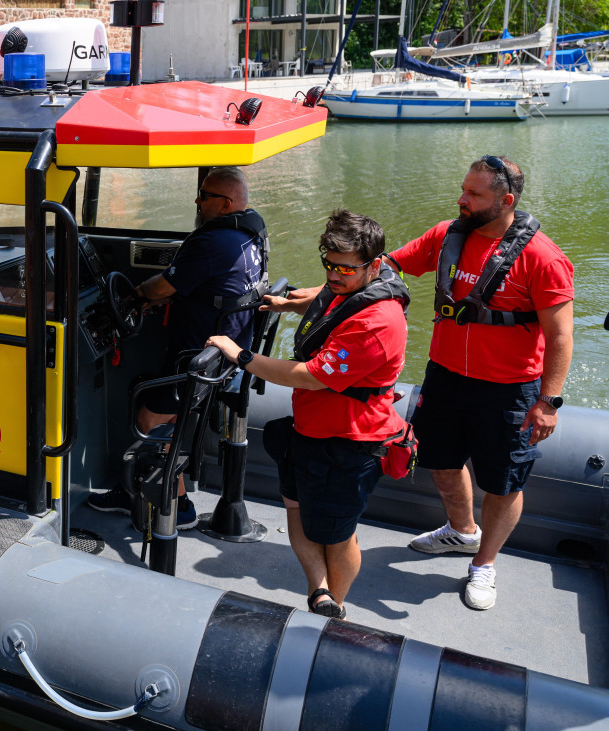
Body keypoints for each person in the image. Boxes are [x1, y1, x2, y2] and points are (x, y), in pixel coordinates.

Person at [387, 156, 574, 611]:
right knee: (442, 464)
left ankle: (484, 565)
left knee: (504, 483)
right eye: (463, 189)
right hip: (446, 377)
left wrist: (548, 401)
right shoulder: (446, 236)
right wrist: (334, 287)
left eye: (474, 194)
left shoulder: (543, 258)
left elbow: (561, 336)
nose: (461, 199)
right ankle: (462, 533)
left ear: (505, 201)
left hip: (510, 389)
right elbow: (389, 265)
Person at [207, 209, 409, 619]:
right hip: (309, 430)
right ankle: (319, 591)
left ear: (375, 265)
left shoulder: (378, 321)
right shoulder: (350, 283)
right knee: (296, 509)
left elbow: (312, 377)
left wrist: (241, 355)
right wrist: (282, 303)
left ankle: (338, 605)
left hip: (348, 443)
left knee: (338, 536)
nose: (334, 275)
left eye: (345, 268)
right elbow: (324, 300)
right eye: (328, 264)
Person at [88, 167, 267, 530]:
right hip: (226, 357)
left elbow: (162, 286)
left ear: (226, 202)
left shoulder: (212, 242)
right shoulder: (249, 234)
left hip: (199, 361)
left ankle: (171, 501)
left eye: (204, 194)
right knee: (151, 395)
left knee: (149, 415)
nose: (197, 201)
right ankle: (159, 487)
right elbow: (207, 285)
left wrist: (137, 296)